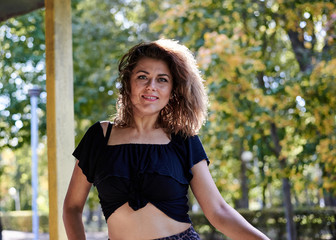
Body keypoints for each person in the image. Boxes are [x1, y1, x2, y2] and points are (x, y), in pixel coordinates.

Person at [63, 39, 270, 240]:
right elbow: (72, 208)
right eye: (143, 77)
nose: (151, 86)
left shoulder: (183, 139)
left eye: (162, 79)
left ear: (172, 91)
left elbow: (217, 210)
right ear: (128, 83)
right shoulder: (100, 136)